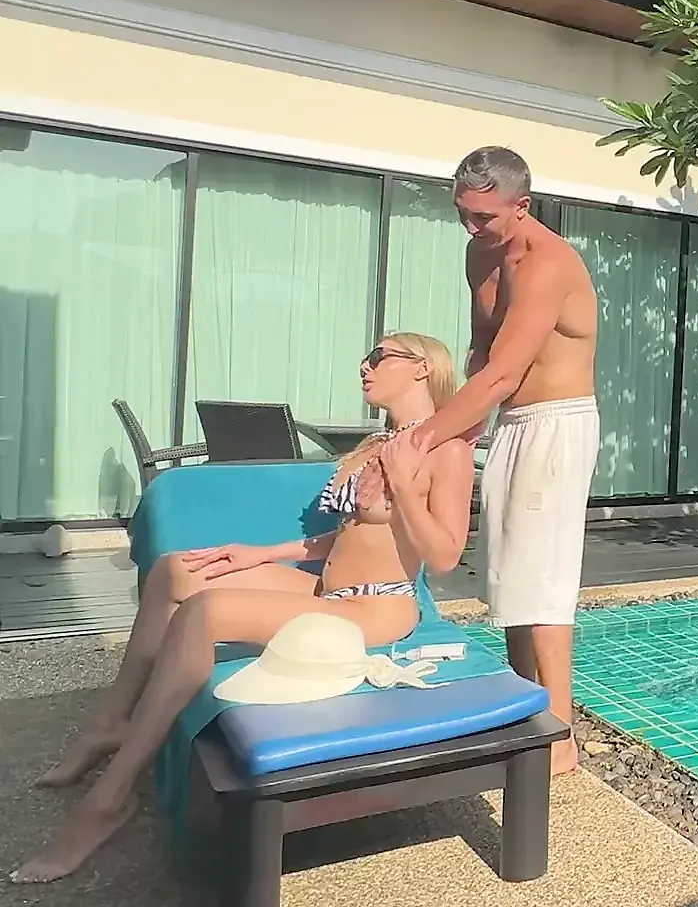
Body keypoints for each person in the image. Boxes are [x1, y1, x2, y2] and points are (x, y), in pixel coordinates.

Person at [12, 333, 475, 885]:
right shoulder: (379, 442)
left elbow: (445, 556)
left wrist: (401, 481)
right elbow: (352, 535)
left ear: (421, 367)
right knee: (176, 570)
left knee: (204, 612)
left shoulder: (446, 450)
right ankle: (109, 722)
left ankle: (110, 798)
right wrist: (264, 553)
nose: (364, 365)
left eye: (379, 356)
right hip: (326, 590)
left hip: (379, 606)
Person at [387, 145, 600, 777]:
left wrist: (423, 440)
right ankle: (522, 707)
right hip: (512, 422)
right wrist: (459, 432)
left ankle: (559, 735)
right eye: (463, 213)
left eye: (483, 216)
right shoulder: (480, 253)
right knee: (507, 575)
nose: (471, 226)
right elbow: (482, 352)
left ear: (522, 205)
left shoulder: (549, 264)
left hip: (557, 424)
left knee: (544, 578)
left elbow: (506, 372)